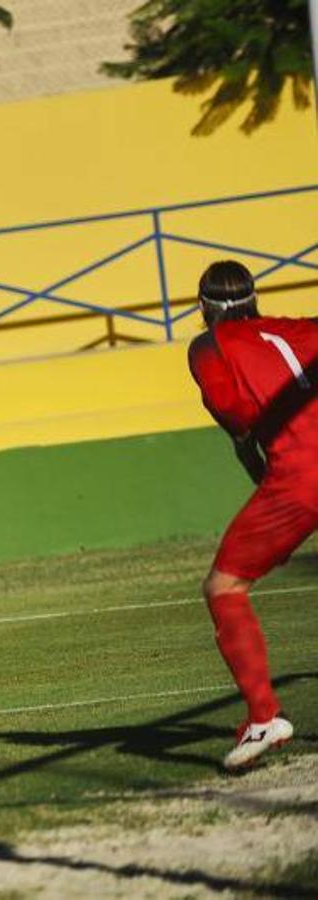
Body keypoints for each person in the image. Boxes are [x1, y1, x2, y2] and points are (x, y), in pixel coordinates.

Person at [187, 259, 318, 769]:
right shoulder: (301, 328)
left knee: (224, 587)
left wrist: (251, 454)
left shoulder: (208, 347)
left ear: (203, 307)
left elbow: (237, 416)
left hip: (301, 474)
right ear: (253, 297)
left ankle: (264, 717)